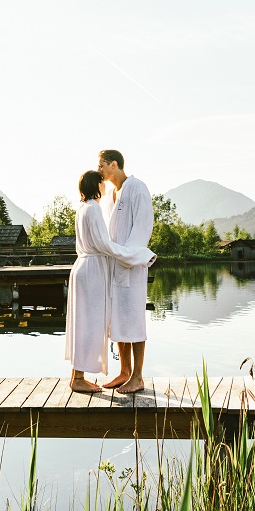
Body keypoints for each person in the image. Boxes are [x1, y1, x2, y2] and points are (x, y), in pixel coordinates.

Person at [65, 169, 155, 392]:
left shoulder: (82, 209)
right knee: (89, 325)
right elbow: (105, 245)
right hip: (93, 271)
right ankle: (78, 379)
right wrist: (136, 255)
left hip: (83, 267)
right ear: (97, 187)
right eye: (101, 182)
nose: (104, 184)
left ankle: (78, 375)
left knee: (82, 323)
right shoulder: (94, 209)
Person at [97, 148, 154, 394]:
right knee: (118, 319)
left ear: (114, 164)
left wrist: (126, 256)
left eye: (101, 165)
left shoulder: (137, 188)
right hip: (113, 267)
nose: (99, 169)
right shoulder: (110, 195)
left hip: (130, 265)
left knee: (134, 319)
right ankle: (124, 372)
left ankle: (138, 376)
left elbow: (142, 226)